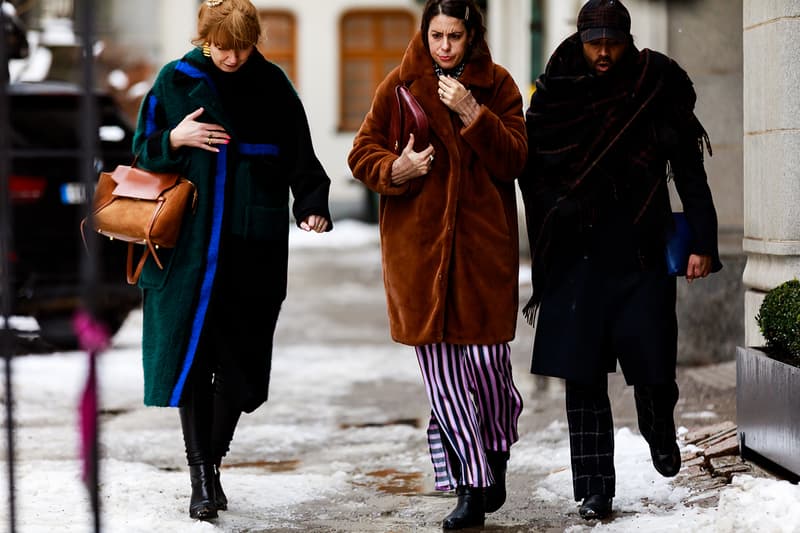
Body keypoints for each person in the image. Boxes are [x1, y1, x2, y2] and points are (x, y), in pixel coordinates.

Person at [519, 0, 722, 521]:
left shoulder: (654, 84)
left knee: (654, 363)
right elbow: (533, 166)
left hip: (640, 248)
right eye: (595, 42)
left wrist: (703, 242)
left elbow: (689, 170)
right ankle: (594, 490)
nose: (604, 52)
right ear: (581, 39)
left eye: (612, 42)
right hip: (574, 253)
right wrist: (554, 211)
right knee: (582, 376)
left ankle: (658, 427)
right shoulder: (556, 89)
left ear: (627, 39)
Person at [131, 0, 332, 521]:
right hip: (190, 255)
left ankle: (212, 461)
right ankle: (202, 476)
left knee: (242, 373)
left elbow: (301, 156)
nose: (233, 57)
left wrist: (311, 204)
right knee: (194, 363)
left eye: (242, 47)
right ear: (205, 39)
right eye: (223, 47)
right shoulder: (175, 82)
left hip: (253, 251)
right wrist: (175, 139)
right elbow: (139, 153)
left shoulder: (273, 86)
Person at [347, 0, 527, 529]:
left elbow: (516, 158)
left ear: (472, 36)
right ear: (424, 35)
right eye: (436, 35)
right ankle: (470, 486)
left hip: (481, 253)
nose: (444, 46)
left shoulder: (499, 87)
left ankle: (496, 449)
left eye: (454, 36)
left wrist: (474, 114)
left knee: (491, 368)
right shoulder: (399, 85)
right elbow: (361, 153)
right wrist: (396, 169)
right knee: (444, 380)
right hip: (419, 255)